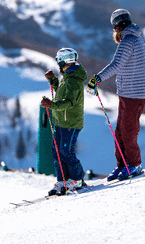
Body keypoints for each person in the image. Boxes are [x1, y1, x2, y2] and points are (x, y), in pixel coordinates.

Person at [87, 9, 145, 181]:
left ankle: (134, 164)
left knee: (128, 130)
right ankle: (122, 164)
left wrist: (97, 78)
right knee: (120, 130)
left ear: (117, 26)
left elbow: (116, 65)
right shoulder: (134, 38)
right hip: (128, 92)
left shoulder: (129, 41)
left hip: (134, 93)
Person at [41, 47, 87, 195]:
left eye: (59, 61)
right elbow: (61, 92)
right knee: (57, 152)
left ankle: (77, 179)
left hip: (71, 123)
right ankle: (63, 180)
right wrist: (53, 80)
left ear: (63, 61)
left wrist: (51, 105)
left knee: (66, 151)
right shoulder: (67, 77)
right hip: (61, 121)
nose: (58, 63)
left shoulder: (74, 80)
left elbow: (68, 102)